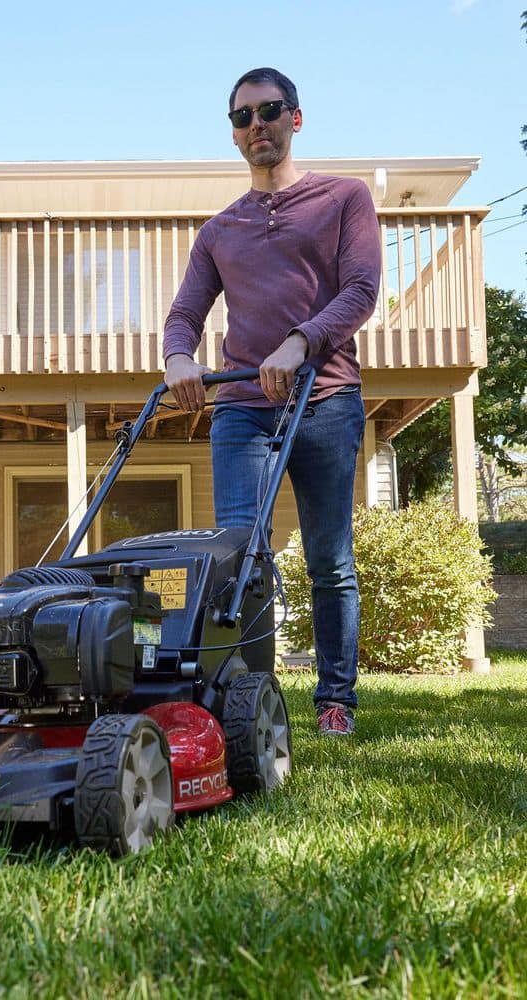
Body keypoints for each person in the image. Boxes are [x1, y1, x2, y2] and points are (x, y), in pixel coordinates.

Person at [162, 67, 381, 736]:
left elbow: (361, 290)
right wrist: (178, 359)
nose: (256, 124)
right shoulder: (219, 230)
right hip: (242, 408)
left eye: (269, 110)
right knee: (239, 557)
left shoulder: (344, 197)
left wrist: (299, 342)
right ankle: (246, 703)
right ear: (233, 134)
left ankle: (335, 701)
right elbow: (185, 314)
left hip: (326, 398)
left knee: (329, 561)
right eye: (243, 116)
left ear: (295, 118)